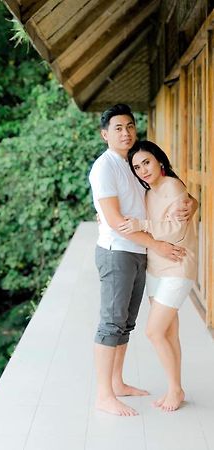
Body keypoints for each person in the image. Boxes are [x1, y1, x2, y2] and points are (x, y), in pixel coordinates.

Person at [88, 104, 192, 416]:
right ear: (105, 134)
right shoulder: (104, 167)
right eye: (118, 128)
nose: (126, 132)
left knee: (125, 323)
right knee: (111, 323)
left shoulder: (134, 165)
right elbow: (117, 220)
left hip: (136, 254)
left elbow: (168, 191)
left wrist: (192, 203)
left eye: (130, 126)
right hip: (116, 252)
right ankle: (104, 394)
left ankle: (117, 383)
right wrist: (157, 245)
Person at [117, 140, 197, 412]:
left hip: (178, 267)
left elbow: (175, 232)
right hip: (155, 268)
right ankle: (176, 387)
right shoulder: (148, 193)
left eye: (146, 162)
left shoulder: (174, 187)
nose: (142, 170)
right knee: (169, 332)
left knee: (153, 331)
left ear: (159, 160)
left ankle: (175, 389)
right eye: (137, 166)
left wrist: (144, 225)